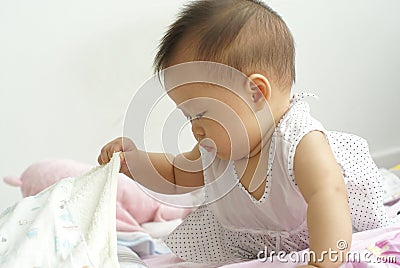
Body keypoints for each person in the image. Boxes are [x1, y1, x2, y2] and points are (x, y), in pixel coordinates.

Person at [98, 1, 396, 267]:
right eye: (187, 116)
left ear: (255, 92)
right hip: (258, 251)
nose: (194, 128)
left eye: (200, 113)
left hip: (333, 241)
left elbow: (328, 196)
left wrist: (322, 262)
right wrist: (134, 164)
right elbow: (177, 174)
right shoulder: (218, 148)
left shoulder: (299, 142)